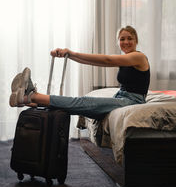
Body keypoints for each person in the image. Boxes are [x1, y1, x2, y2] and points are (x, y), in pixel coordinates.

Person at [9, 25, 150, 119]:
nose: (126, 42)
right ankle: (30, 100)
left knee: (82, 102)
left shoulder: (138, 57)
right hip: (121, 97)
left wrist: (72, 52)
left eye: (130, 38)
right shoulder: (125, 59)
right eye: (122, 39)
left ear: (136, 40)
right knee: (81, 105)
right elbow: (93, 62)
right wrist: (69, 55)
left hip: (132, 101)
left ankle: (33, 96)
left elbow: (107, 61)